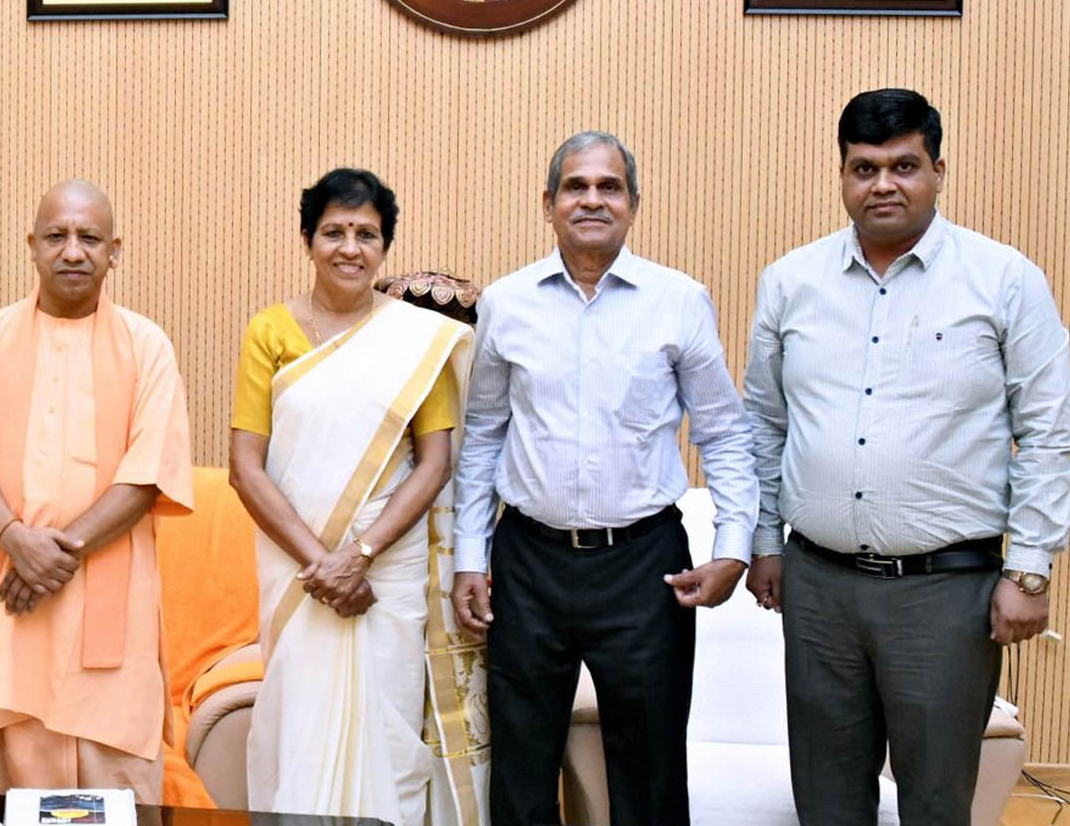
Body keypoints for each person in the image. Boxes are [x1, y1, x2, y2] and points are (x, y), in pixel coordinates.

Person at [742, 89, 1069, 826]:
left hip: (945, 594)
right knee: (825, 798)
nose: (883, 184)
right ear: (843, 175)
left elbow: (1050, 432)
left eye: (904, 166)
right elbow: (764, 423)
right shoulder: (791, 282)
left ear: (939, 170)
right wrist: (765, 541)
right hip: (817, 588)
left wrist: (1030, 569)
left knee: (934, 801)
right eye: (864, 168)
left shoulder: (1004, 280)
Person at [450, 131, 759, 826]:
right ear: (549, 203)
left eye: (608, 187)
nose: (592, 200)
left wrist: (733, 547)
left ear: (634, 204)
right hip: (528, 561)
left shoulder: (679, 301)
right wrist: (472, 555)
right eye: (576, 186)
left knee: (648, 771)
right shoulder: (506, 303)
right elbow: (482, 438)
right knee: (522, 771)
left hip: (644, 566)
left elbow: (724, 433)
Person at [228, 169, 484, 826]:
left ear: (384, 246)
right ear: (308, 240)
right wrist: (324, 561)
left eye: (366, 234)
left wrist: (360, 554)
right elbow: (244, 467)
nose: (350, 248)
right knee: (298, 725)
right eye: (335, 232)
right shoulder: (270, 331)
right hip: (300, 567)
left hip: (386, 569)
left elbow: (434, 464)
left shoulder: (415, 340)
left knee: (390, 734)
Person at [0, 180, 194, 801]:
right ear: (33, 245)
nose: (72, 251)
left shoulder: (147, 346)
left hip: (105, 596)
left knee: (114, 776)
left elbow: (147, 473)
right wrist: (16, 539)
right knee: (3, 780)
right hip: (3, 595)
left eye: (89, 238)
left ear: (114, 250)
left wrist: (51, 554)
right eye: (57, 236)